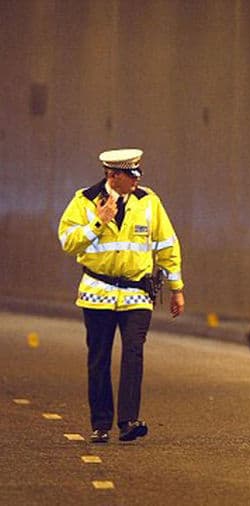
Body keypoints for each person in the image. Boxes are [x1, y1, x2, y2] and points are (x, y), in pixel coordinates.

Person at [58, 148, 185, 443]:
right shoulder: (84, 201)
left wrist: (177, 288)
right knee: (99, 357)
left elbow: (167, 245)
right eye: (131, 176)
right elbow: (68, 242)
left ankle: (128, 421)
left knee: (133, 352)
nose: (136, 181)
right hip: (98, 292)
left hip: (136, 294)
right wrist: (98, 223)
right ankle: (100, 424)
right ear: (113, 176)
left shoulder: (149, 202)